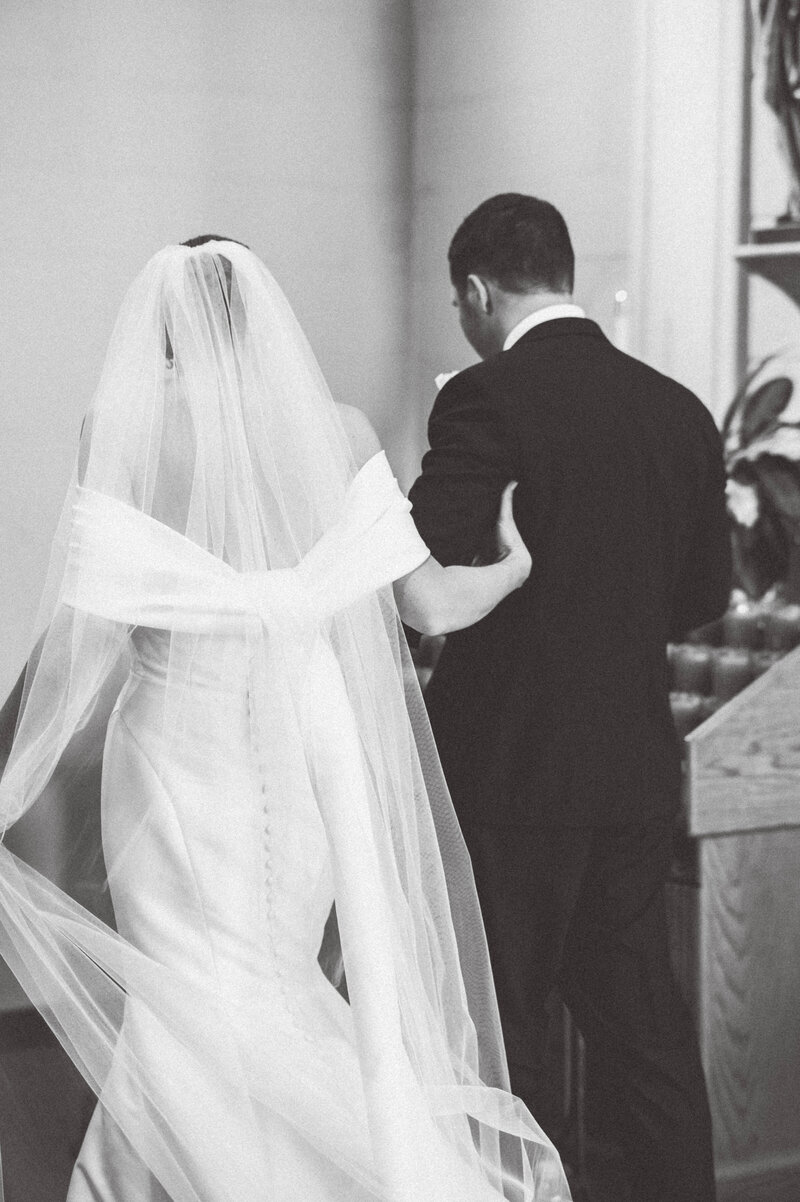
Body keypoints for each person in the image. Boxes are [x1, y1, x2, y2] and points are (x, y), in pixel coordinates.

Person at [0, 238, 571, 1202]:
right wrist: (512, 566)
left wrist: (13, 768)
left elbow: (84, 635)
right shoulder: (338, 427)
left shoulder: (125, 424)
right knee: (275, 977)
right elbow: (426, 606)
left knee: (181, 994)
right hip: (311, 749)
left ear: (165, 327)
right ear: (262, 318)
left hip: (175, 751)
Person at [408, 193, 732, 1202]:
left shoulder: (482, 398)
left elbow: (417, 566)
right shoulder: (674, 405)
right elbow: (704, 593)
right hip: (633, 768)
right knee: (640, 1031)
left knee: (508, 1029)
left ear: (476, 290)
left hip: (509, 768)